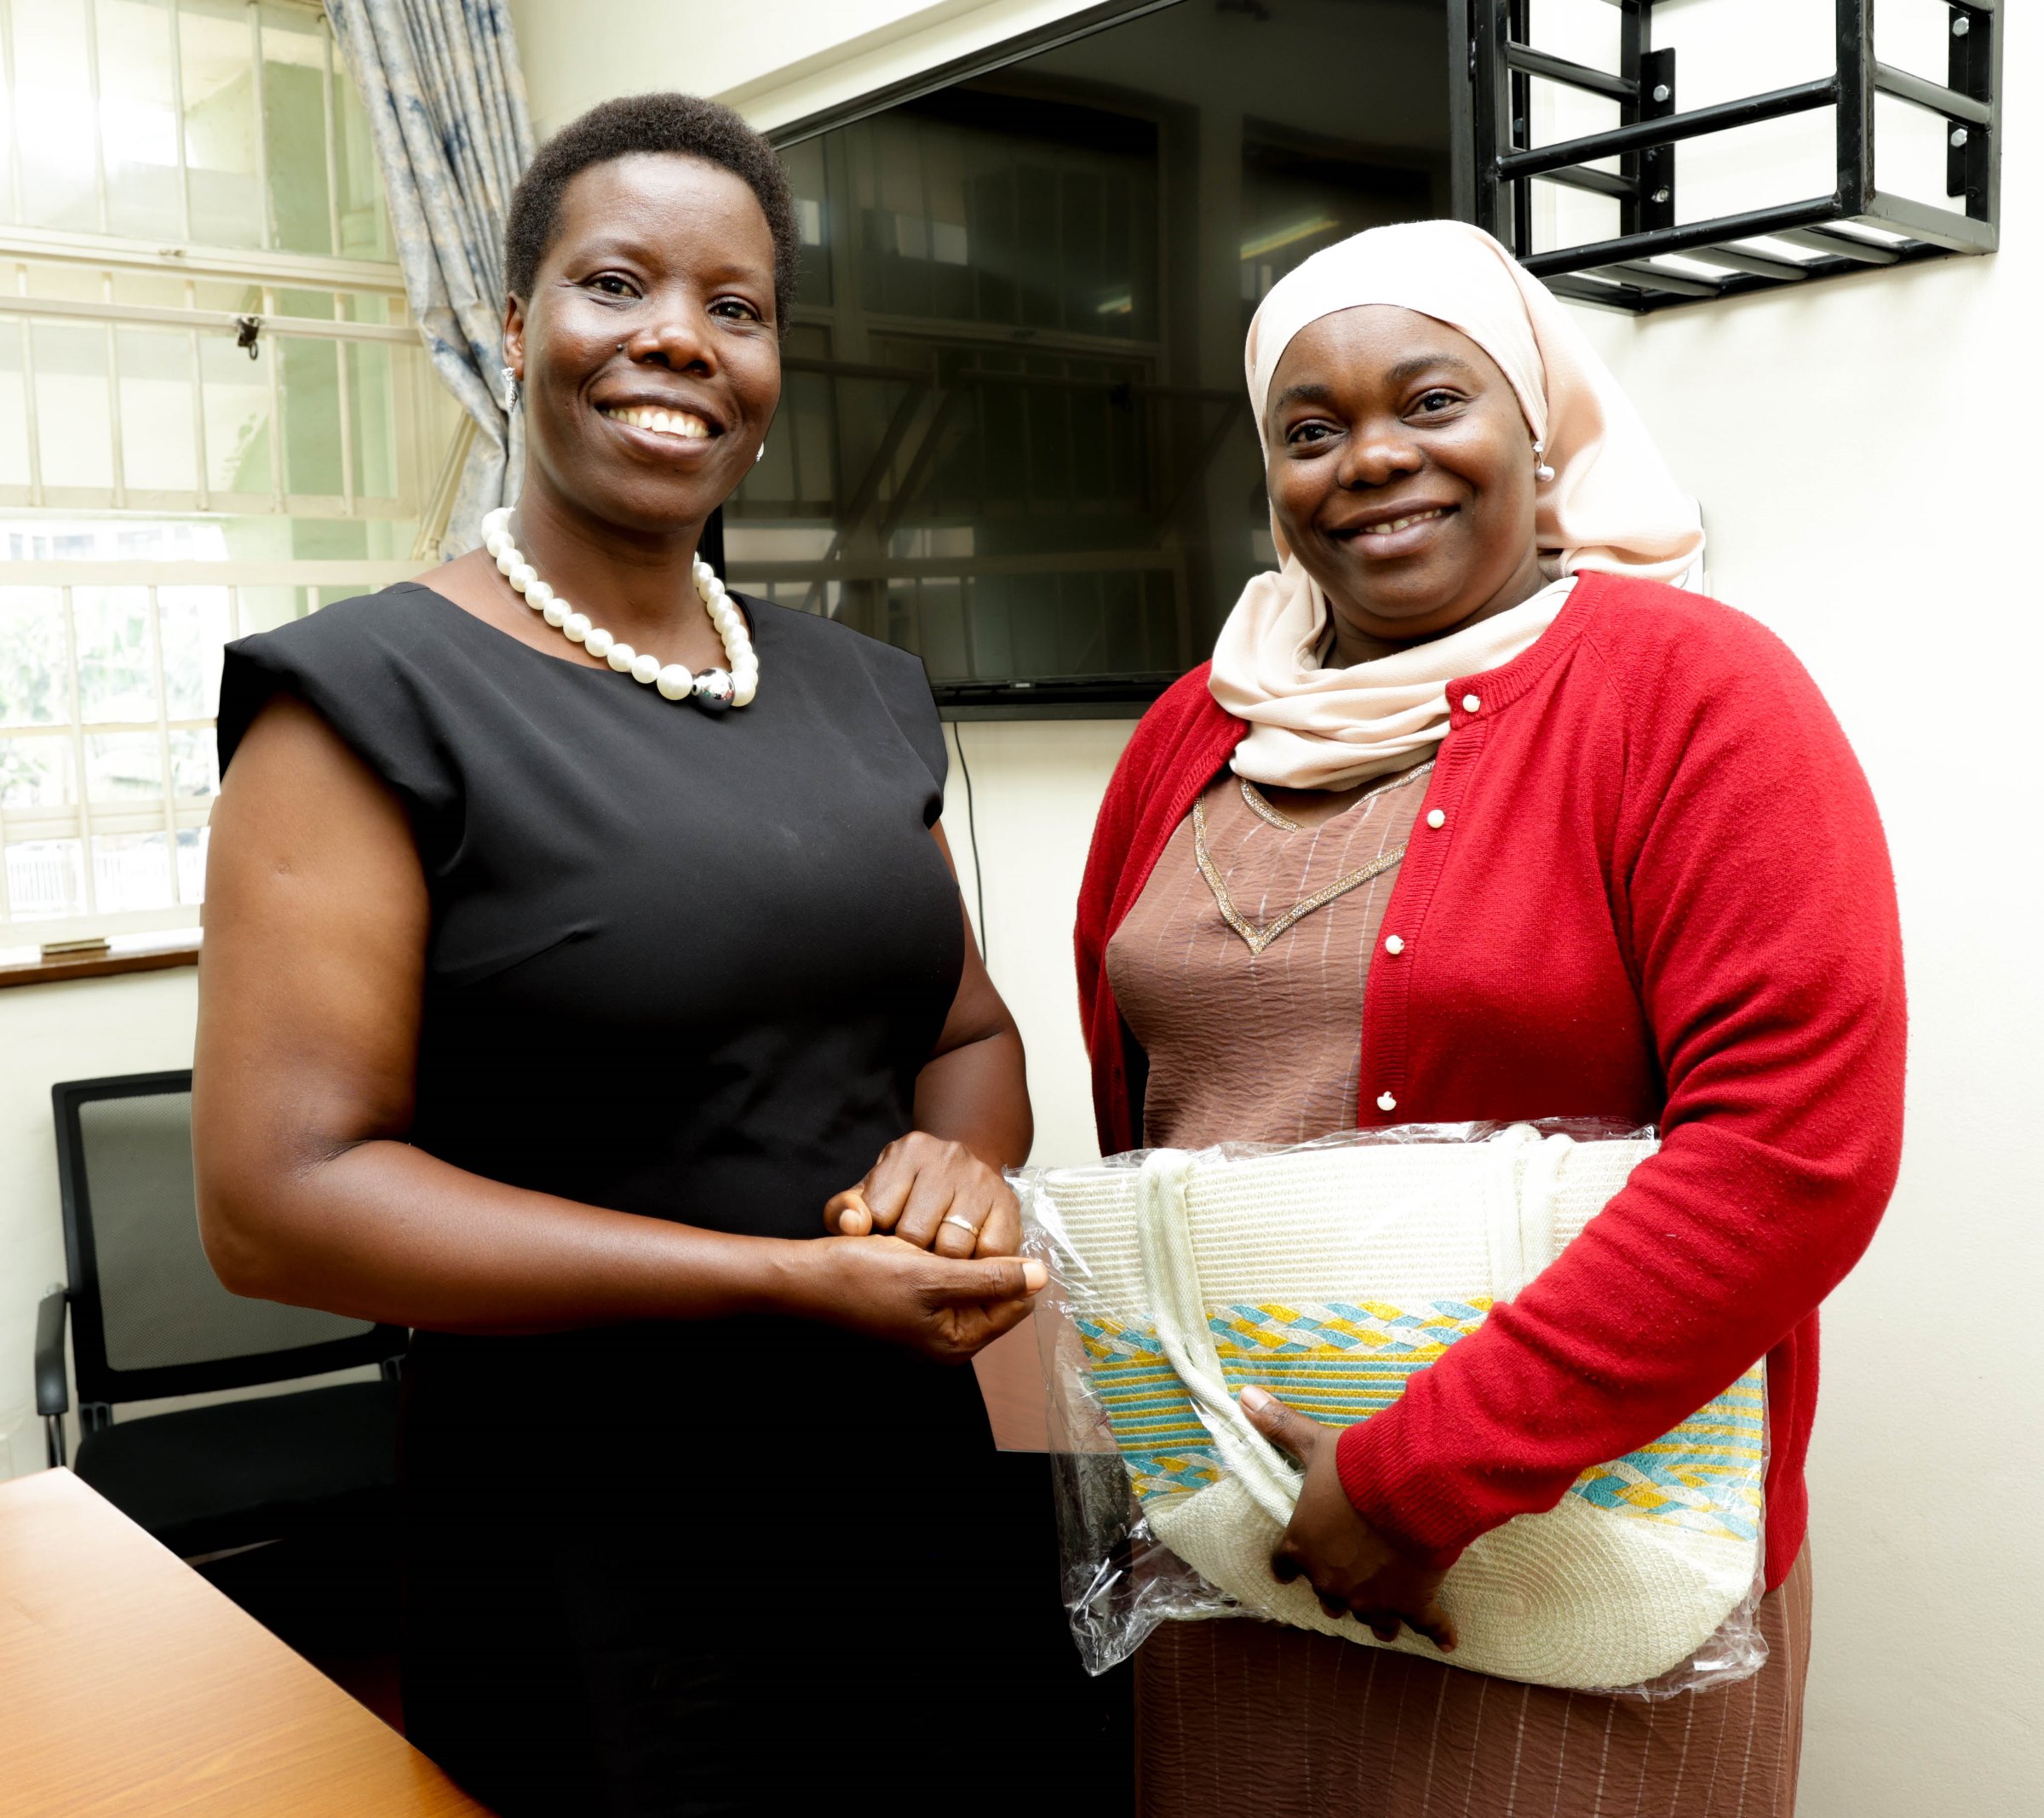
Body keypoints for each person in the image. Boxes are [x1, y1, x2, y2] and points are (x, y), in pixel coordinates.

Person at [195, 94, 1065, 1816]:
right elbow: (276, 1201)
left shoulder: (862, 690)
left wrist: (954, 1175)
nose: (679, 336)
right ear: (515, 327)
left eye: (735, 307)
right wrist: (774, 1279)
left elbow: (964, 1029)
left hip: (902, 1481)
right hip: (589, 1540)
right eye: (616, 284)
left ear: (772, 365)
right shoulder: (364, 699)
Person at [1073, 221, 1904, 1815]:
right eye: (1310, 432)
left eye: (1431, 402)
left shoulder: (1693, 695)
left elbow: (1796, 1154)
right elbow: (1152, 1135)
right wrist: (1233, 1462)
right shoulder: (1189, 730)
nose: (1372, 460)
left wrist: (1415, 1475)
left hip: (1569, 1559)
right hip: (1249, 1547)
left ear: (1541, 427)